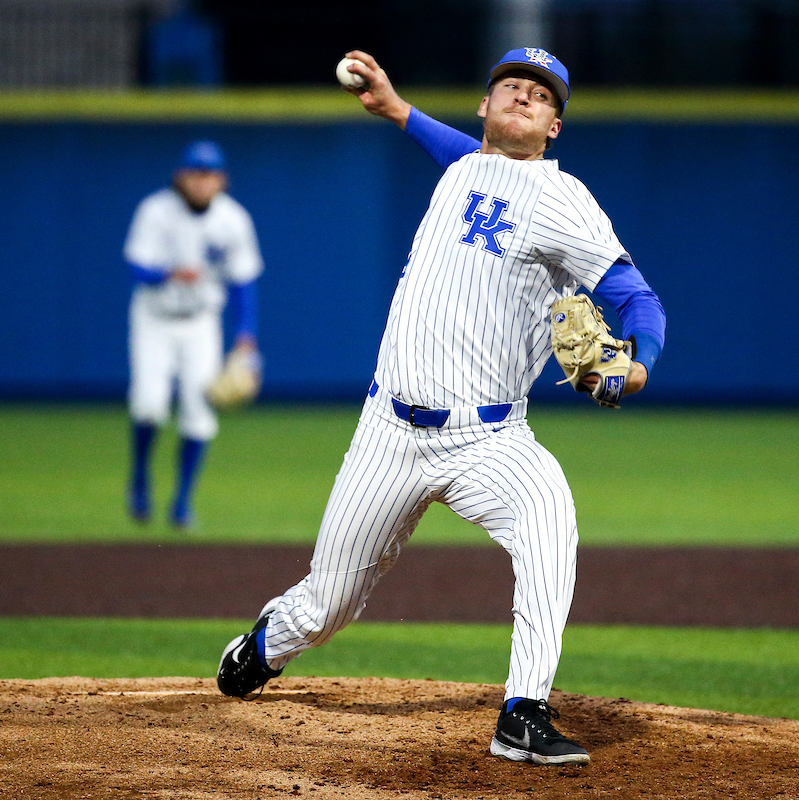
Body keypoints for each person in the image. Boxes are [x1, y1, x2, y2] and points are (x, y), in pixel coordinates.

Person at [217, 48, 666, 766]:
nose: (523, 95)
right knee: (328, 603)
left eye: (540, 95)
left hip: (491, 440)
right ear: (484, 109)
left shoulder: (562, 199)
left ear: (554, 127)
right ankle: (270, 642)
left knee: (551, 519)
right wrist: (398, 111)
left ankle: (523, 712)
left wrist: (640, 362)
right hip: (387, 433)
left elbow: (636, 297)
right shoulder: (463, 170)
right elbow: (472, 158)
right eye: (509, 86)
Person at [123, 140, 263, 529]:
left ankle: (182, 501)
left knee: (199, 415)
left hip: (201, 323)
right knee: (149, 404)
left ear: (222, 180)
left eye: (210, 175)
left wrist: (246, 336)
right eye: (196, 174)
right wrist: (168, 273)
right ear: (180, 177)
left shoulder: (233, 220)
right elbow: (136, 266)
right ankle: (139, 478)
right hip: (154, 319)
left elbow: (244, 282)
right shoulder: (155, 212)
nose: (203, 182)